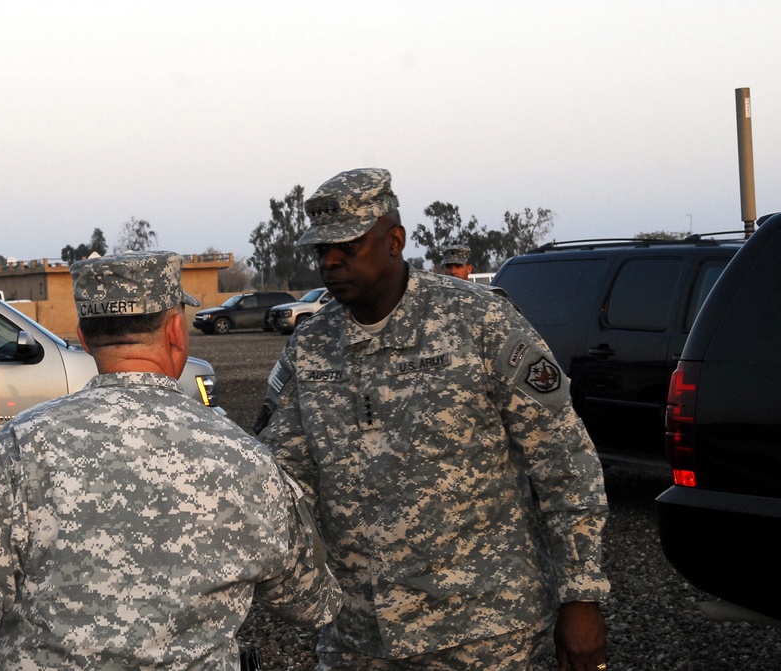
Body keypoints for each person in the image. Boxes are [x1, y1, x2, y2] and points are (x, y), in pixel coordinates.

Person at [0, 251, 341, 671]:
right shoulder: (243, 457)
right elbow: (310, 601)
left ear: (85, 338)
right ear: (176, 331)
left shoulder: (20, 445)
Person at [255, 168, 609, 671]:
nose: (330, 261)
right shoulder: (312, 345)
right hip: (359, 637)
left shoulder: (479, 322)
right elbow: (285, 473)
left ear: (395, 239)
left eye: (348, 246)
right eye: (321, 251)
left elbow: (565, 462)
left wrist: (582, 597)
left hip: (484, 632)